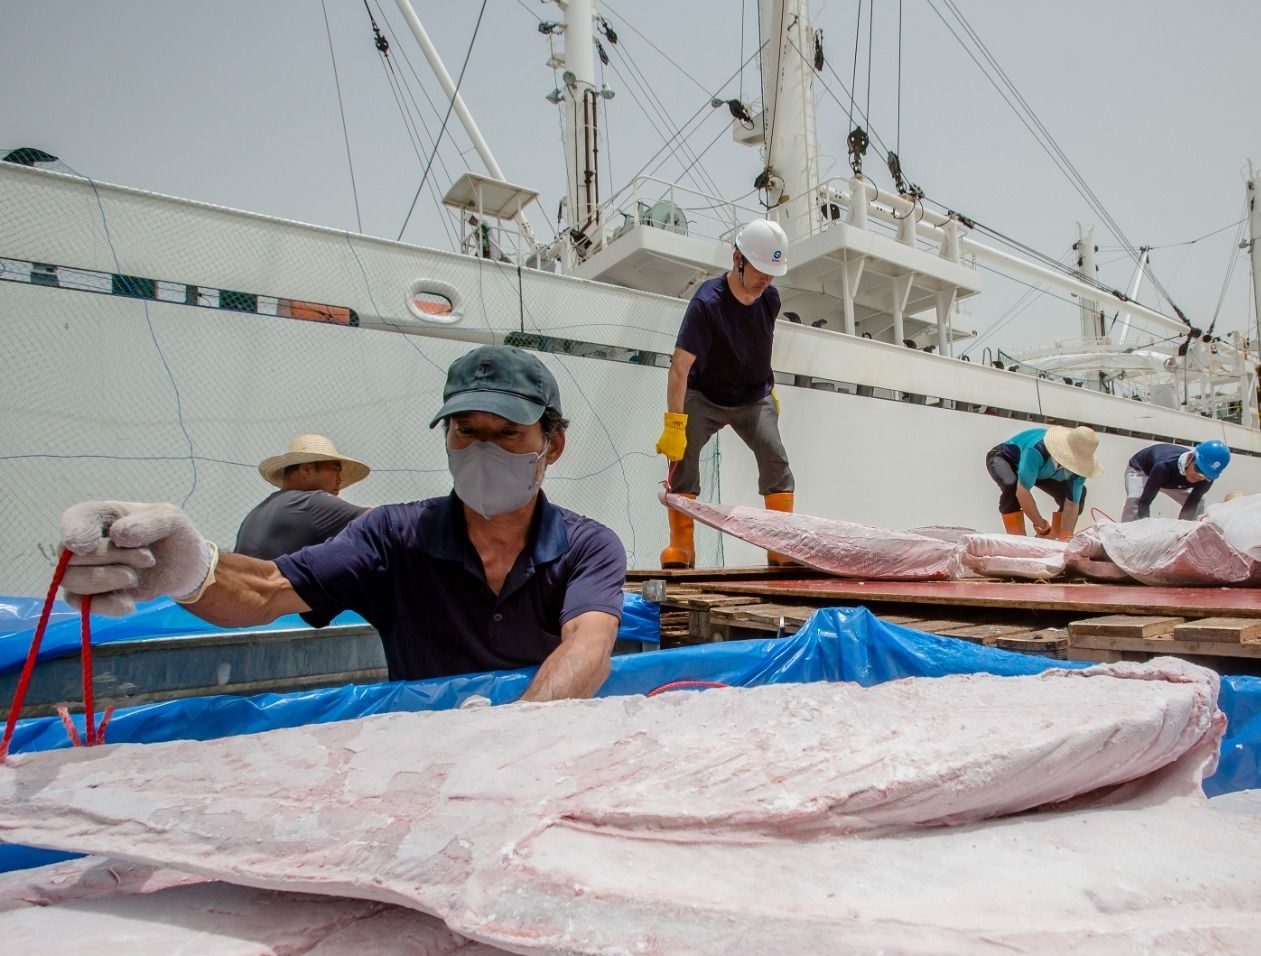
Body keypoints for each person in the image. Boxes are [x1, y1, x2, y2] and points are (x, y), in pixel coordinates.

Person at [57, 346, 626, 700]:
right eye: (466, 432)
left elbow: (588, 647)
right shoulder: (395, 536)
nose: (484, 451)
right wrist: (186, 567)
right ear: (447, 440)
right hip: (420, 752)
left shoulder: (588, 545)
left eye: (508, 434)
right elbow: (264, 592)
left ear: (552, 446)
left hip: (545, 742)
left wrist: (513, 735)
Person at [655, 219, 795, 567]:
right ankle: (682, 548)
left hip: (754, 398)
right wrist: (675, 425)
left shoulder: (770, 300)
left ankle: (780, 546)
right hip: (705, 396)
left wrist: (769, 387)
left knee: (775, 457)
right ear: (738, 259)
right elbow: (679, 367)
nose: (767, 279)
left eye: (772, 272)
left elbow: (759, 346)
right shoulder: (707, 303)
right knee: (683, 458)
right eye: (761, 270)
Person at [234, 434, 370, 560]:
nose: (339, 479)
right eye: (335, 470)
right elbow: (381, 520)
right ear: (307, 469)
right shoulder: (311, 502)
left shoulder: (254, 514)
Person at [985, 425, 1102, 539]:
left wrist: (1066, 536)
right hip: (1005, 458)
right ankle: (1017, 538)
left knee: (1079, 494)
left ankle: (1055, 536)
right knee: (1012, 485)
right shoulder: (1037, 450)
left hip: (1041, 471)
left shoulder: (1079, 471)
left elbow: (1072, 504)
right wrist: (1041, 525)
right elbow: (1022, 492)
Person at [1121, 440, 1230, 522]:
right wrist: (1144, 527)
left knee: (1198, 503)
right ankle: (1126, 538)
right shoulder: (1163, 466)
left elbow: (1191, 505)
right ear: (1190, 458)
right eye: (1198, 469)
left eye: (1206, 474)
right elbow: (1145, 502)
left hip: (1172, 479)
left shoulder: (1206, 479)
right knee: (1135, 500)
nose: (1199, 476)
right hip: (1143, 471)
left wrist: (1182, 533)